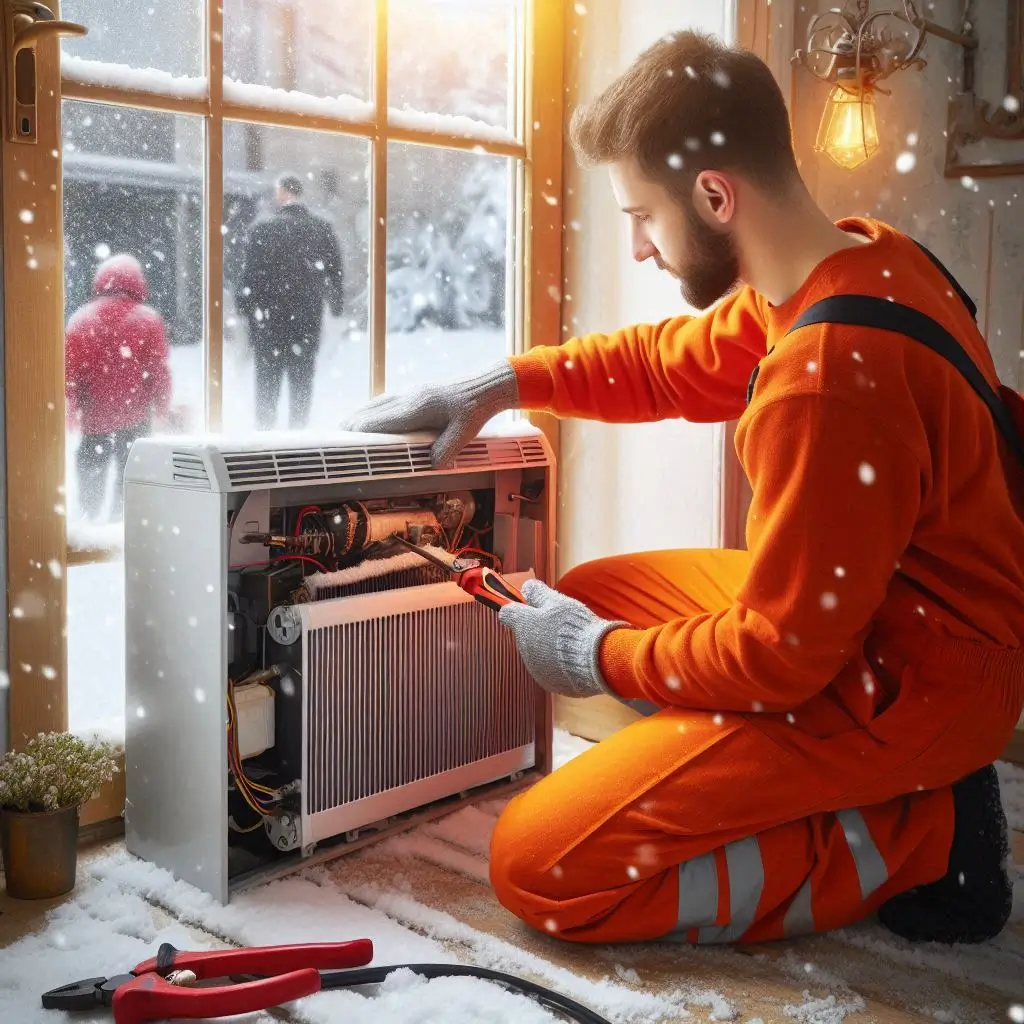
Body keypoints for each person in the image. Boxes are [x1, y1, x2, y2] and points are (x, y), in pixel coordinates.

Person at [342, 31, 1024, 947]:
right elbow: (668, 365)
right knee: (590, 599)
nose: (637, 248)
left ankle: (925, 835)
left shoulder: (826, 376)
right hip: (896, 622)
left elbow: (780, 660)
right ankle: (789, 770)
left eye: (642, 217)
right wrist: (503, 382)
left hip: (911, 684)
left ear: (714, 195)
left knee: (542, 868)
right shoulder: (863, 261)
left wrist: (603, 659)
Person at [65, 253, 173, 521]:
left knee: (91, 466)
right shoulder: (148, 320)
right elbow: (159, 371)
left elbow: (70, 375)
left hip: (94, 418)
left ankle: (89, 518)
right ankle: (121, 521)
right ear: (138, 283)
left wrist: (70, 410)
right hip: (134, 416)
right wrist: (161, 405)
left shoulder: (81, 320)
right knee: (130, 473)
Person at [235, 173, 344, 430]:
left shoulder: (263, 230)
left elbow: (249, 276)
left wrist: (246, 308)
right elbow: (335, 272)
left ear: (282, 192)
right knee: (301, 384)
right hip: (306, 320)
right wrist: (335, 304)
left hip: (269, 323)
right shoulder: (321, 229)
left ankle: (265, 439)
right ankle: (298, 441)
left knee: (267, 386)